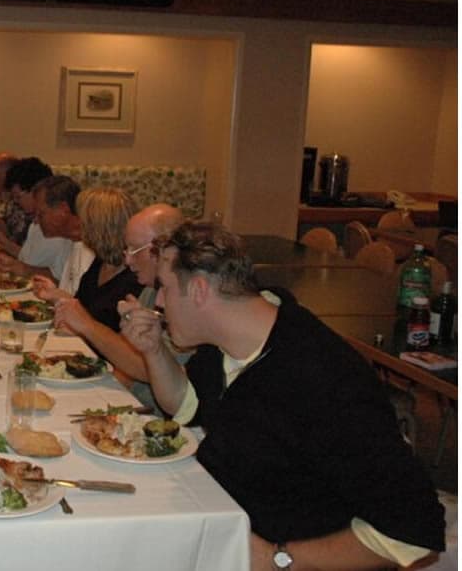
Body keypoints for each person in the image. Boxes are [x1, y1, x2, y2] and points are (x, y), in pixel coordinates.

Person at [122, 222, 445, 571]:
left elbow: (415, 531)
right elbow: (190, 405)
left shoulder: (322, 379)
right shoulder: (229, 343)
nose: (157, 301)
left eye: (165, 288)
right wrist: (155, 352)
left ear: (199, 290)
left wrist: (280, 559)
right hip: (220, 523)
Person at [48, 203, 186, 410]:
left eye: (134, 250)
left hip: (152, 415)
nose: (128, 260)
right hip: (128, 401)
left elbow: (146, 369)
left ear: (163, 251)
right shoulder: (150, 289)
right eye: (126, 249)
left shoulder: (183, 301)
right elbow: (126, 355)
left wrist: (87, 325)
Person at [32, 186, 142, 336]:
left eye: (83, 221)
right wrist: (57, 295)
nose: (78, 223)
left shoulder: (135, 277)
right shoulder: (101, 261)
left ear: (99, 228)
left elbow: (113, 336)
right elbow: (84, 309)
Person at [0, 158, 71, 282]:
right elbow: (28, 258)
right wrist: (6, 247)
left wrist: (21, 268)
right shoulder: (37, 222)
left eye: (18, 197)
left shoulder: (60, 231)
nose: (16, 203)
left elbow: (59, 279)